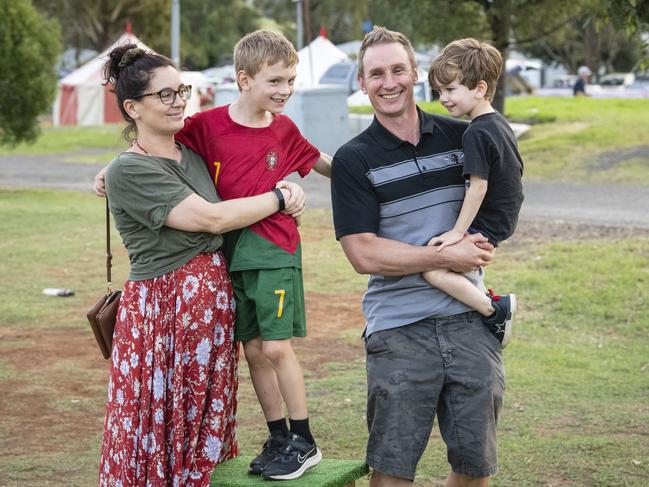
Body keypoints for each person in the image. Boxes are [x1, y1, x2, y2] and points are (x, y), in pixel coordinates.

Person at [98, 44, 305, 487]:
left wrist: (283, 184)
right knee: (158, 420)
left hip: (210, 313)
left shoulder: (190, 154)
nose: (179, 102)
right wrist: (280, 199)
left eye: (182, 91)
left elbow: (245, 161)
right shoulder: (127, 170)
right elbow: (212, 218)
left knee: (200, 423)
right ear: (132, 107)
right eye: (165, 95)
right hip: (162, 314)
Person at [331, 27, 501, 487]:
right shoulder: (353, 159)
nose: (389, 82)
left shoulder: (462, 137)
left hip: (469, 321)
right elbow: (363, 254)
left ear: (416, 76)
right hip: (398, 329)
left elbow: (503, 195)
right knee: (391, 473)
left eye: (398, 70)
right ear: (362, 84)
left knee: (474, 470)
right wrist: (449, 255)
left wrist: (482, 243)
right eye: (376, 74)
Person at [174, 30, 331, 481]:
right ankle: (279, 435)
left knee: (277, 347)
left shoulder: (284, 129)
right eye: (275, 81)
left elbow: (321, 161)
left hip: (275, 250)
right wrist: (114, 165)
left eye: (291, 81)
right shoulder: (205, 125)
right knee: (255, 352)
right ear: (244, 79)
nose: (285, 91)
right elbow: (160, 145)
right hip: (230, 255)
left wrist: (368, 182)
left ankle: (305, 441)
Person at [424, 38, 524, 348]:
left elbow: (478, 186)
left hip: (490, 220)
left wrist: (457, 232)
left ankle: (493, 309)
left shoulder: (477, 132)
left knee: (431, 266)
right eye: (439, 92)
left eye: (451, 90)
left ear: (479, 88)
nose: (443, 98)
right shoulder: (498, 124)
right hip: (503, 217)